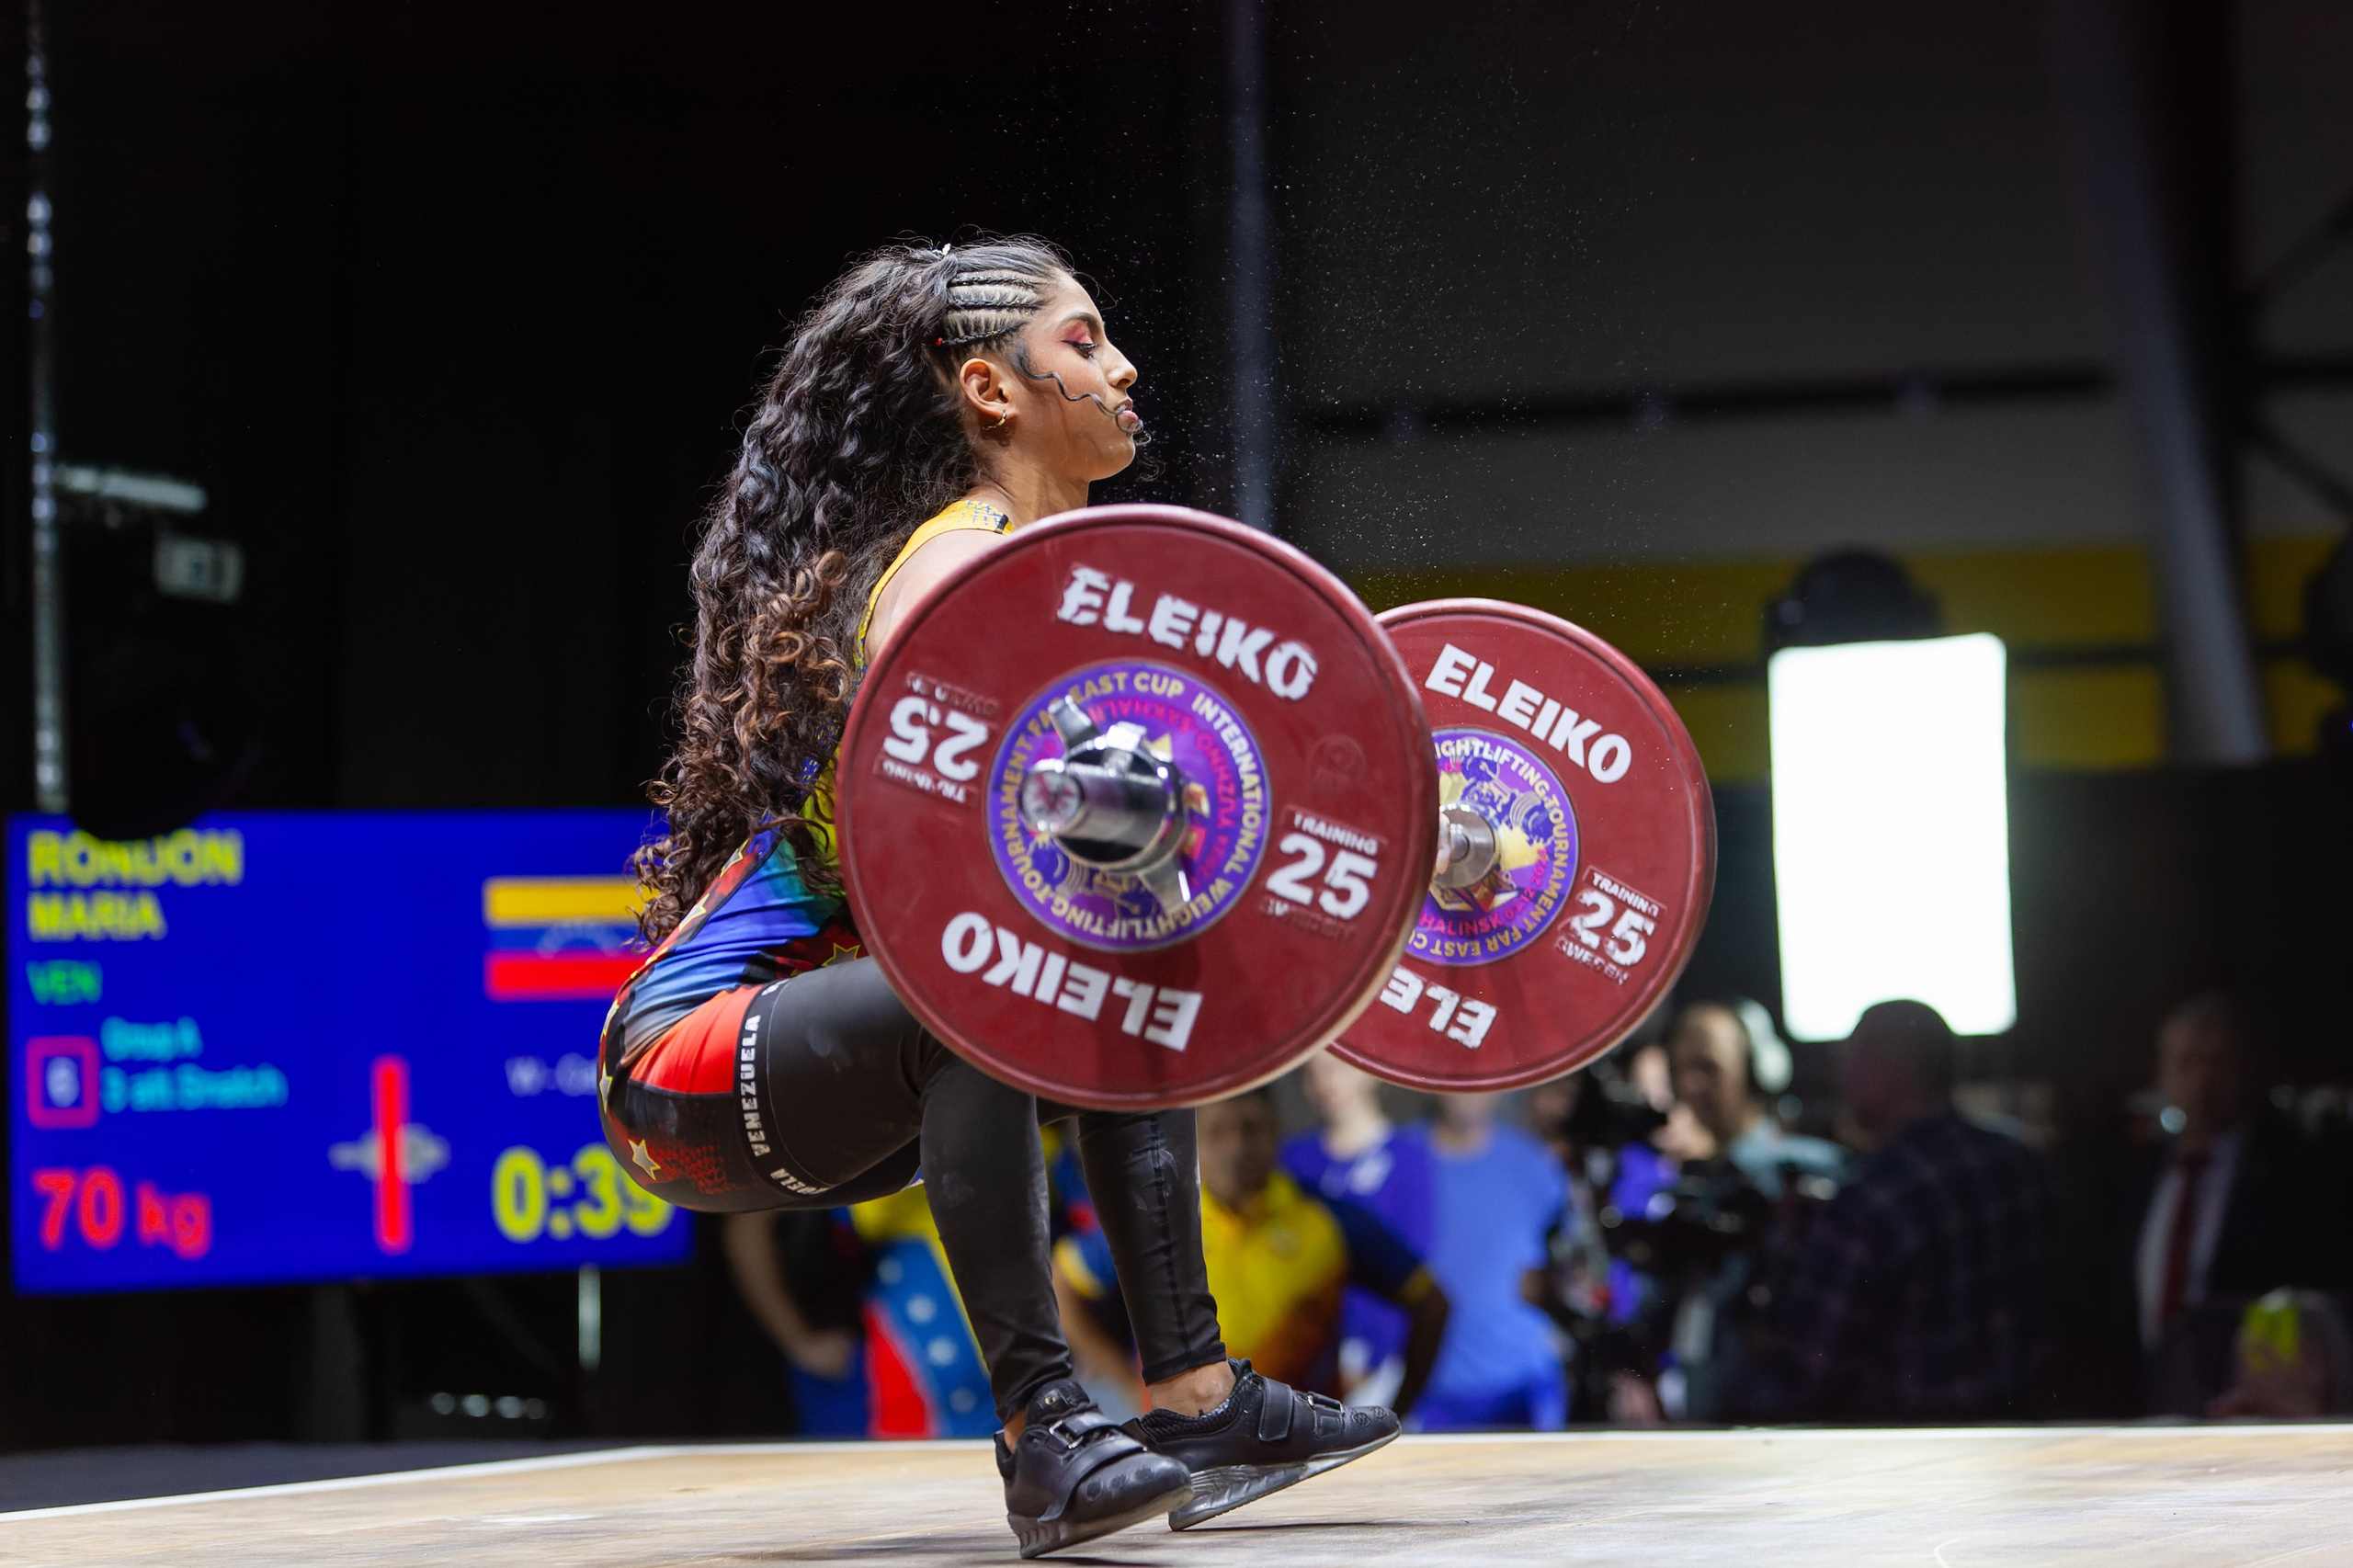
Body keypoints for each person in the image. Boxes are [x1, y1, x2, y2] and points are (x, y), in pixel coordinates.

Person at [599, 238, 1394, 1556]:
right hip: (684, 1066)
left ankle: (1197, 1400)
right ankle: (1043, 1433)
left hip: (844, 1084)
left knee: (1117, 975)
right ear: (990, 388)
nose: (1124, 363)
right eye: (1084, 340)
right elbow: (994, 838)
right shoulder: (952, 567)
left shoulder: (1043, 584)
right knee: (996, 986)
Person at [1749, 1000, 2051, 1422]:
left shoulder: (1871, 1201)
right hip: (2023, 1429)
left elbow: (1807, 1372)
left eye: (1850, 1059)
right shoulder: (2019, 1160)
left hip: (1915, 1448)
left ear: (1888, 1073)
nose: (1842, 1076)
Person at [2110, 994, 2351, 1414]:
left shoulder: (2299, 1174)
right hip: (2147, 1412)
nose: (2203, 1081)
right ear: (2162, 1072)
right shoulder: (2134, 1173)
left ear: (2251, 1069)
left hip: (2254, 1407)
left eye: (2219, 1063)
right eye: (2187, 1062)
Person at [1280, 1049, 1439, 1407]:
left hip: (1381, 1370)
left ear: (1372, 1070)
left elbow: (1416, 1270)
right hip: (1304, 1365)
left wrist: (1374, 1358)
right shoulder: (1293, 1158)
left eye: (1337, 1068)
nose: (1325, 1083)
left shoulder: (1409, 1158)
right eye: (1312, 1072)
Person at [1416, 1092, 1573, 1429]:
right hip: (1425, 1396)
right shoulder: (1402, 1158)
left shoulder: (1535, 1163)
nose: (1467, 1088)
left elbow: (1573, 1268)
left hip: (1523, 1391)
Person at [1667, 1000, 1846, 1199]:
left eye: (1707, 1067)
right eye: (1679, 1069)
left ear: (1754, 1071)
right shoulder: (1686, 1176)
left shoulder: (1813, 1168)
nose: (1688, 1085)